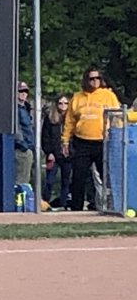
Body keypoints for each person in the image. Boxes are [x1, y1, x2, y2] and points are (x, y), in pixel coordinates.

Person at [61, 66, 121, 211]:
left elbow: (117, 117)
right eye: (91, 78)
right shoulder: (77, 97)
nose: (95, 81)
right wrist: (65, 141)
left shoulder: (108, 95)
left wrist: (117, 136)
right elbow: (70, 121)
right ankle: (77, 207)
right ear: (86, 80)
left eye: (97, 78)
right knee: (79, 177)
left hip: (103, 142)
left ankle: (114, 206)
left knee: (108, 177)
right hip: (82, 141)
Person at [43, 94, 72, 209]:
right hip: (53, 155)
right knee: (49, 180)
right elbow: (45, 137)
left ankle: (63, 204)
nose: (63, 106)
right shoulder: (50, 118)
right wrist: (49, 152)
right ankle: (44, 203)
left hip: (67, 155)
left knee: (66, 181)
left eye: (66, 103)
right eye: (61, 103)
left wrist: (71, 151)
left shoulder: (71, 119)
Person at [15, 81, 36, 193]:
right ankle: (20, 207)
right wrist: (24, 146)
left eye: (25, 91)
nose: (23, 93)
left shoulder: (26, 108)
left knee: (28, 180)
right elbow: (16, 129)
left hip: (29, 148)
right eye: (20, 91)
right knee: (21, 181)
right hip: (22, 149)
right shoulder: (14, 109)